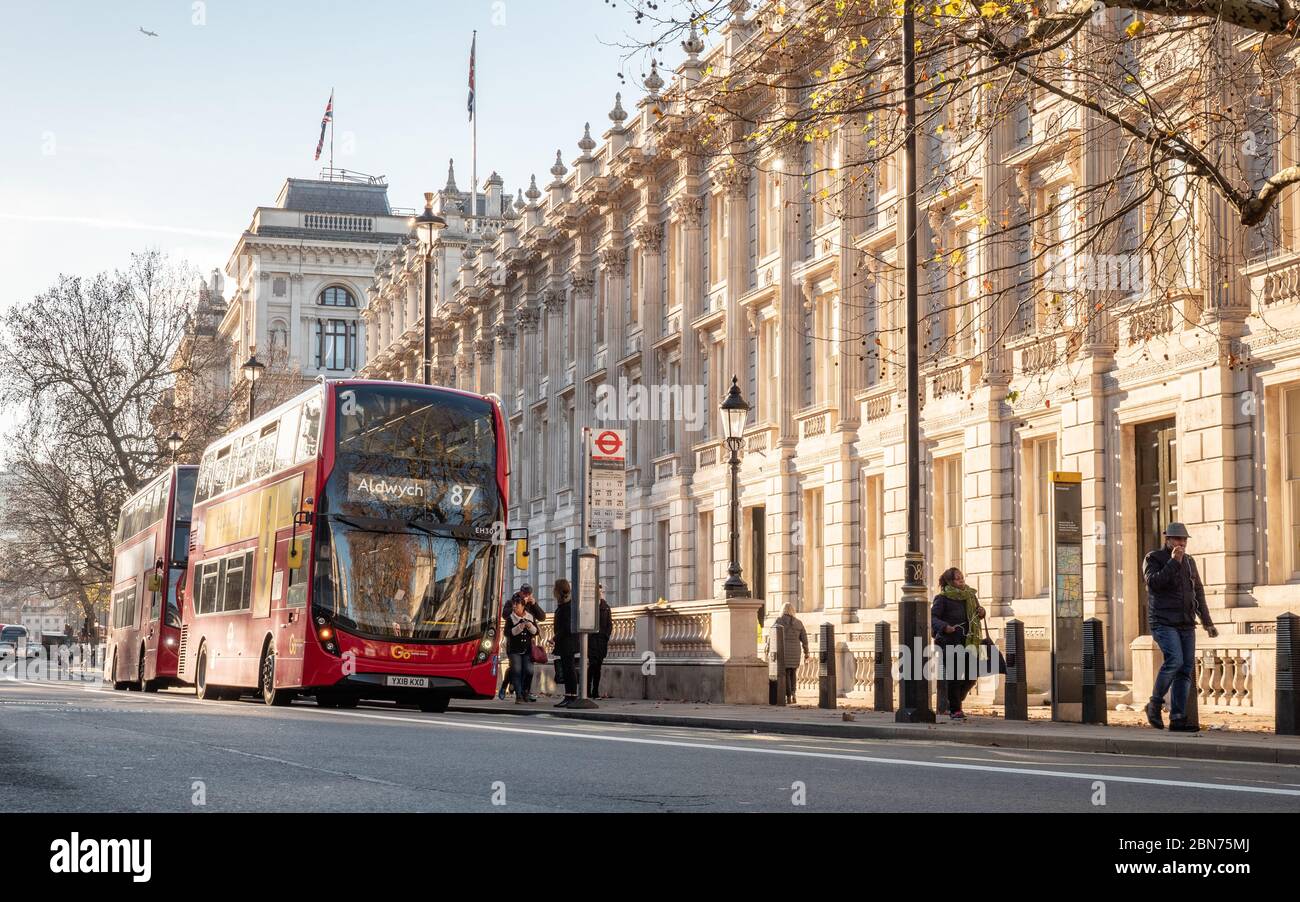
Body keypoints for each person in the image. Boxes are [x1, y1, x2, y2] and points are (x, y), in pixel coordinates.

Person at [1143, 523, 1217, 732]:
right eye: (1177, 539)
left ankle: (1177, 719)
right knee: (1174, 660)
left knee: (1185, 670)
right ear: (1167, 539)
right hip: (1163, 621)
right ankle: (1154, 705)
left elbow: (1198, 592)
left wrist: (1207, 622)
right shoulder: (1154, 558)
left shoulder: (1190, 562)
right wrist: (1174, 562)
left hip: (1186, 623)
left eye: (1184, 539)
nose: (1181, 543)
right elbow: (1154, 583)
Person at [931, 567, 984, 721]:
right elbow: (933, 618)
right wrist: (945, 627)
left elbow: (977, 613)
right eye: (957, 578)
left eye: (962, 577)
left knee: (972, 675)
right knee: (955, 676)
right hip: (950, 641)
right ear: (950, 581)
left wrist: (982, 612)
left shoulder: (970, 596)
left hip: (969, 640)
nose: (961, 580)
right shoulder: (942, 598)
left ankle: (955, 700)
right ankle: (955, 710)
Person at [498, 584, 544, 700]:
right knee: (515, 668)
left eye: (529, 594)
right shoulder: (512, 602)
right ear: (520, 592)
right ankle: (512, 689)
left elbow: (541, 617)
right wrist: (517, 607)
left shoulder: (530, 606)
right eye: (525, 594)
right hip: (513, 645)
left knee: (526, 669)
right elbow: (505, 615)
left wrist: (534, 604)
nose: (527, 596)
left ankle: (524, 692)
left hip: (527, 644)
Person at [767, 603, 809, 704]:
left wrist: (768, 647)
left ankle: (788, 696)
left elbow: (772, 635)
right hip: (795, 652)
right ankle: (794, 693)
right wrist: (806, 652)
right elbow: (804, 639)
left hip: (783, 651)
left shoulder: (779, 621)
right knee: (793, 672)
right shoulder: (799, 623)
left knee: (785, 673)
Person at [504, 596, 539, 704]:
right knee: (517, 671)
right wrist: (519, 627)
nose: (515, 607)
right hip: (514, 650)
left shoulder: (530, 617)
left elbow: (536, 632)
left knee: (529, 671)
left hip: (527, 650)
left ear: (523, 606)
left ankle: (525, 691)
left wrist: (529, 626)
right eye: (514, 605)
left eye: (517, 605)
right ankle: (518, 695)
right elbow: (507, 633)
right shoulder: (511, 618)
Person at [551, 579, 579, 707]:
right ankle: (568, 695)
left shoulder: (568, 606)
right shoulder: (563, 604)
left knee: (569, 669)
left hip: (568, 642)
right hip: (565, 642)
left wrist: (555, 638)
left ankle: (572, 696)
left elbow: (567, 627)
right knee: (567, 669)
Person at [587, 584, 614, 699]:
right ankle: (586, 690)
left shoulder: (605, 607)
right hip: (592, 640)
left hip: (602, 641)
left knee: (598, 667)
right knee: (592, 665)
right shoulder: (588, 606)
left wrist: (606, 636)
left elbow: (609, 624)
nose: (599, 593)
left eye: (600, 591)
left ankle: (595, 691)